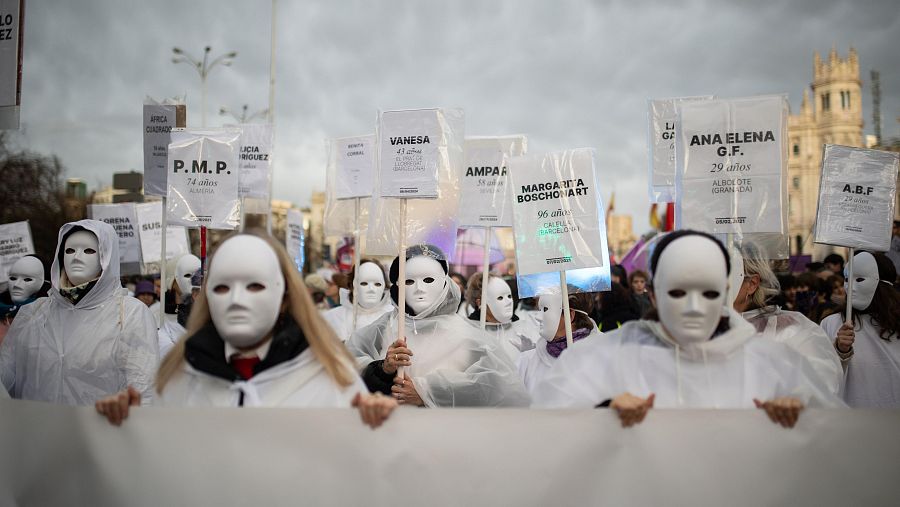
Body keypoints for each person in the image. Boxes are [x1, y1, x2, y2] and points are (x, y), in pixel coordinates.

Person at [532, 230, 843, 428]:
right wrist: (601, 412)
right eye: (678, 292)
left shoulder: (772, 365)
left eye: (708, 293)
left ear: (725, 290)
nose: (694, 307)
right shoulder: (603, 361)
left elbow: (836, 444)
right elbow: (547, 434)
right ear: (653, 293)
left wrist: (800, 414)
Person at [95, 231, 395, 429]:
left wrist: (373, 426)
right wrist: (130, 428)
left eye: (254, 285)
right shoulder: (177, 377)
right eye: (223, 287)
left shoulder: (332, 377)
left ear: (284, 296)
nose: (237, 300)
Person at [346, 244, 530, 407]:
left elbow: (497, 387)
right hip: (393, 430)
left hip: (445, 435)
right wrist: (382, 369)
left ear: (445, 282)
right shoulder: (386, 326)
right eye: (409, 281)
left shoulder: (467, 336)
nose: (419, 288)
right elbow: (348, 363)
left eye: (428, 280)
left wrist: (427, 392)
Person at [0, 220, 158, 405]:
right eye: (69, 250)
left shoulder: (129, 314)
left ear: (106, 256)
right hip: (36, 430)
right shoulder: (34, 313)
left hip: (100, 430)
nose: (76, 257)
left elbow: (143, 391)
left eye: (88, 250)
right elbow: (6, 377)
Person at [733, 245, 842, 395]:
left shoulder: (793, 331)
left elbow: (821, 389)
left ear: (751, 284)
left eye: (722, 275)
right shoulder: (697, 331)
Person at [821, 251, 900, 407]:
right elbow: (821, 377)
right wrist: (839, 350)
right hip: (852, 419)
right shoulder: (831, 323)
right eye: (846, 279)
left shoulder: (896, 323)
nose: (850, 286)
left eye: (860, 279)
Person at [517, 287, 602, 396]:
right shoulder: (527, 361)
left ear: (570, 315)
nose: (538, 317)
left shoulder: (603, 354)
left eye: (545, 309)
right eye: (539, 309)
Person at [464, 273, 539, 361]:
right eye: (500, 298)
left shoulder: (523, 328)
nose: (509, 302)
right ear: (480, 303)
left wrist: (530, 355)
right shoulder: (468, 332)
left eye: (509, 296)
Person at [323, 259, 393, 342]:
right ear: (352, 286)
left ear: (384, 286)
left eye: (377, 284)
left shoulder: (395, 318)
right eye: (364, 283)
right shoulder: (333, 318)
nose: (371, 289)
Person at [0, 255, 50, 345]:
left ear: (44, 283)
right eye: (13, 278)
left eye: (27, 279)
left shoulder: (51, 316)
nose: (16, 285)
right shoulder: (2, 312)